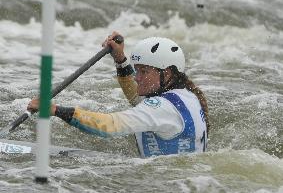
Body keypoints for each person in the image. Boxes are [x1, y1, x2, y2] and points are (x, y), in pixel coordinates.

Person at [27, 32, 210, 158]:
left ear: (167, 73)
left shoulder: (163, 108)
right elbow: (137, 99)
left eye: (144, 72)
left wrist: (55, 110)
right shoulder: (184, 96)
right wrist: (120, 59)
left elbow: (110, 126)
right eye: (137, 70)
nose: (137, 78)